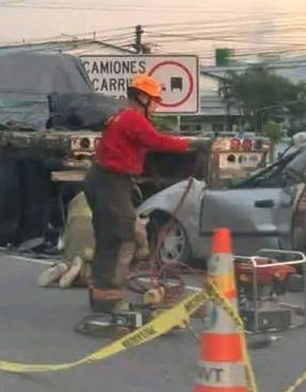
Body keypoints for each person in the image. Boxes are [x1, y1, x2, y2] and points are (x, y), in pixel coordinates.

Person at [83, 75, 210, 313]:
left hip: (104, 180)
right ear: (142, 97)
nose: (156, 105)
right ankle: (109, 298)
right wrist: (190, 146)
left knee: (108, 237)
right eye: (154, 100)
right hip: (111, 182)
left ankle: (100, 293)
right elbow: (154, 141)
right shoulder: (133, 118)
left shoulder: (123, 117)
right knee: (120, 237)